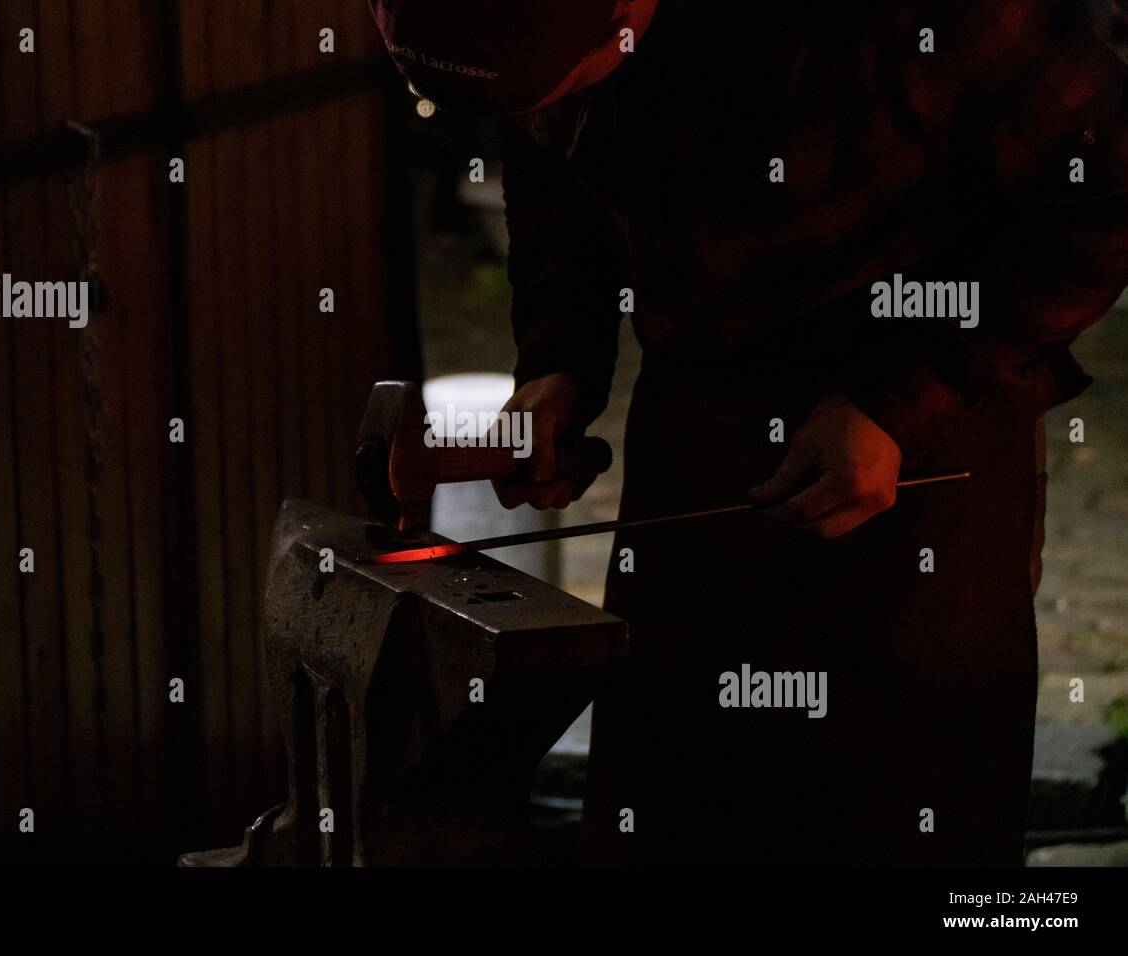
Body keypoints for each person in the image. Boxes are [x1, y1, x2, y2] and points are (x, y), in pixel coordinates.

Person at [370, 0, 1128, 864]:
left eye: (575, 81)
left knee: (891, 817)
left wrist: (902, 399)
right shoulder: (548, 63)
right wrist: (559, 361)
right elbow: (554, 164)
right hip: (694, 429)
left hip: (919, 464)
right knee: (669, 810)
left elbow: (1107, 190)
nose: (553, 114)